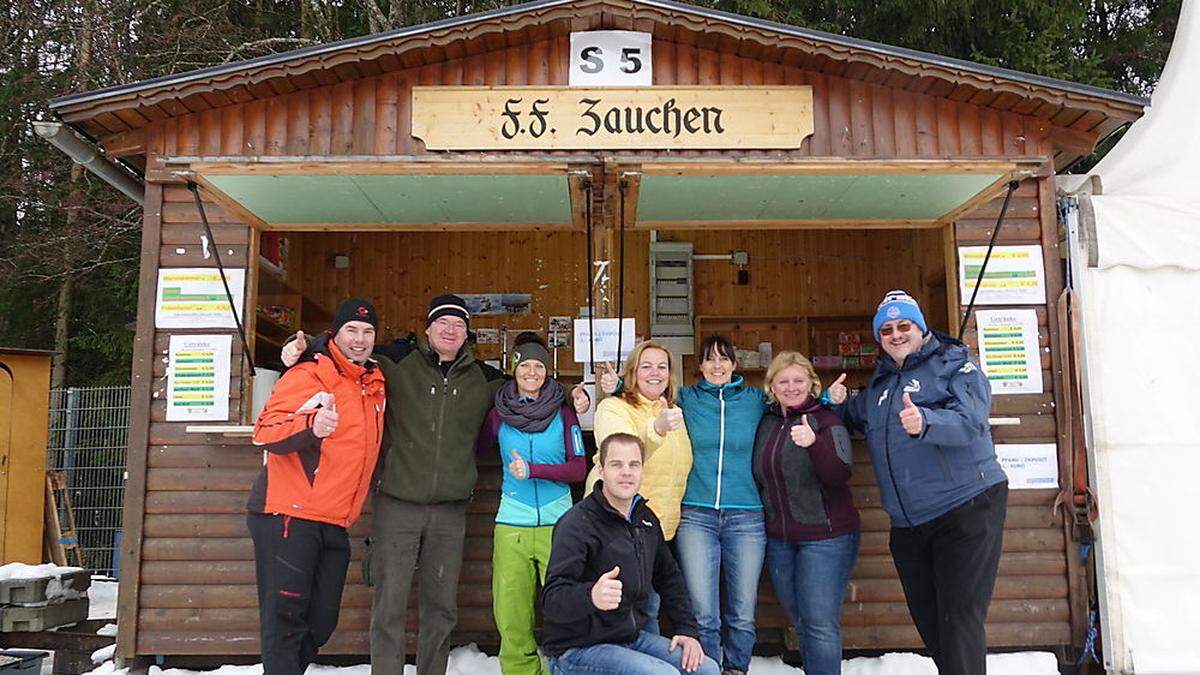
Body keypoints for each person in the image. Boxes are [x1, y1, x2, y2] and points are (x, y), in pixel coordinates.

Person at [282, 294, 589, 675]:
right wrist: (305, 347)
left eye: (458, 325)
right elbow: (347, 350)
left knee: (441, 609)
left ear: (467, 335)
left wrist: (579, 396)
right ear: (427, 328)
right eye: (442, 322)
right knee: (389, 606)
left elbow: (532, 383)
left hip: (450, 510)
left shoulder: (487, 380)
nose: (450, 330)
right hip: (397, 504)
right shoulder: (395, 362)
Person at [826, 290, 1008, 675]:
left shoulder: (956, 364)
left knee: (959, 618)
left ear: (920, 327)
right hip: (909, 524)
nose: (896, 334)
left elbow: (972, 420)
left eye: (903, 325)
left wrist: (927, 422)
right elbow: (854, 417)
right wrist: (834, 402)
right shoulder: (880, 385)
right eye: (887, 329)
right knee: (931, 621)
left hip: (965, 508)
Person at [603, 334, 767, 675]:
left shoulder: (753, 399)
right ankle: (707, 668)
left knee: (741, 611)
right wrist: (618, 383)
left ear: (735, 365)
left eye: (725, 359)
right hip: (694, 514)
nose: (718, 365)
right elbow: (643, 392)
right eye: (710, 359)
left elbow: (789, 396)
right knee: (702, 610)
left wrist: (827, 398)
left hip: (741, 513)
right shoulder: (685, 400)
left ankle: (735, 668)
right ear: (700, 365)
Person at [247, 298, 387, 675]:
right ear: (335, 333)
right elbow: (265, 431)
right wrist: (310, 426)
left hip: (336, 518)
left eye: (368, 332)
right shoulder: (310, 373)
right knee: (286, 620)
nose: (360, 340)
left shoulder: (373, 380)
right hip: (288, 514)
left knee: (322, 621)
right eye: (351, 331)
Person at [541, 432, 720, 675]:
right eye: (617, 464)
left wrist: (687, 630)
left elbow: (668, 578)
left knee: (706, 669)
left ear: (642, 470)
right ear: (601, 470)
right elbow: (551, 599)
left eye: (634, 464)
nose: (627, 472)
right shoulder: (577, 523)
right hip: (577, 648)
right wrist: (590, 595)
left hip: (628, 637)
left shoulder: (645, 519)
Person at [476, 333, 588, 675]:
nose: (532, 372)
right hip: (512, 522)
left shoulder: (564, 412)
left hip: (560, 522)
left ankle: (567, 666)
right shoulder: (497, 414)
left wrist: (534, 470)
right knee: (511, 611)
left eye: (539, 366)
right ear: (514, 368)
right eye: (525, 364)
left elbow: (578, 468)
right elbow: (477, 449)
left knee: (566, 607)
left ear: (548, 372)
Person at [753, 351, 860, 675]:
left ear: (812, 383)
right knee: (802, 619)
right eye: (783, 381)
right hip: (781, 540)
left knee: (818, 623)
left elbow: (839, 474)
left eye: (798, 380)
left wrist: (814, 443)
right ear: (771, 386)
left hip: (826, 538)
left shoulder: (827, 420)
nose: (791, 387)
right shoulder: (767, 422)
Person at [589, 340, 693, 630]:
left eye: (662, 366)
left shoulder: (672, 411)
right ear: (632, 372)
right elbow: (621, 456)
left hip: (659, 533)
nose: (654, 373)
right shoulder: (612, 407)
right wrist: (656, 428)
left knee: (650, 611)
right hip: (619, 529)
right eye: (645, 366)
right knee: (629, 614)